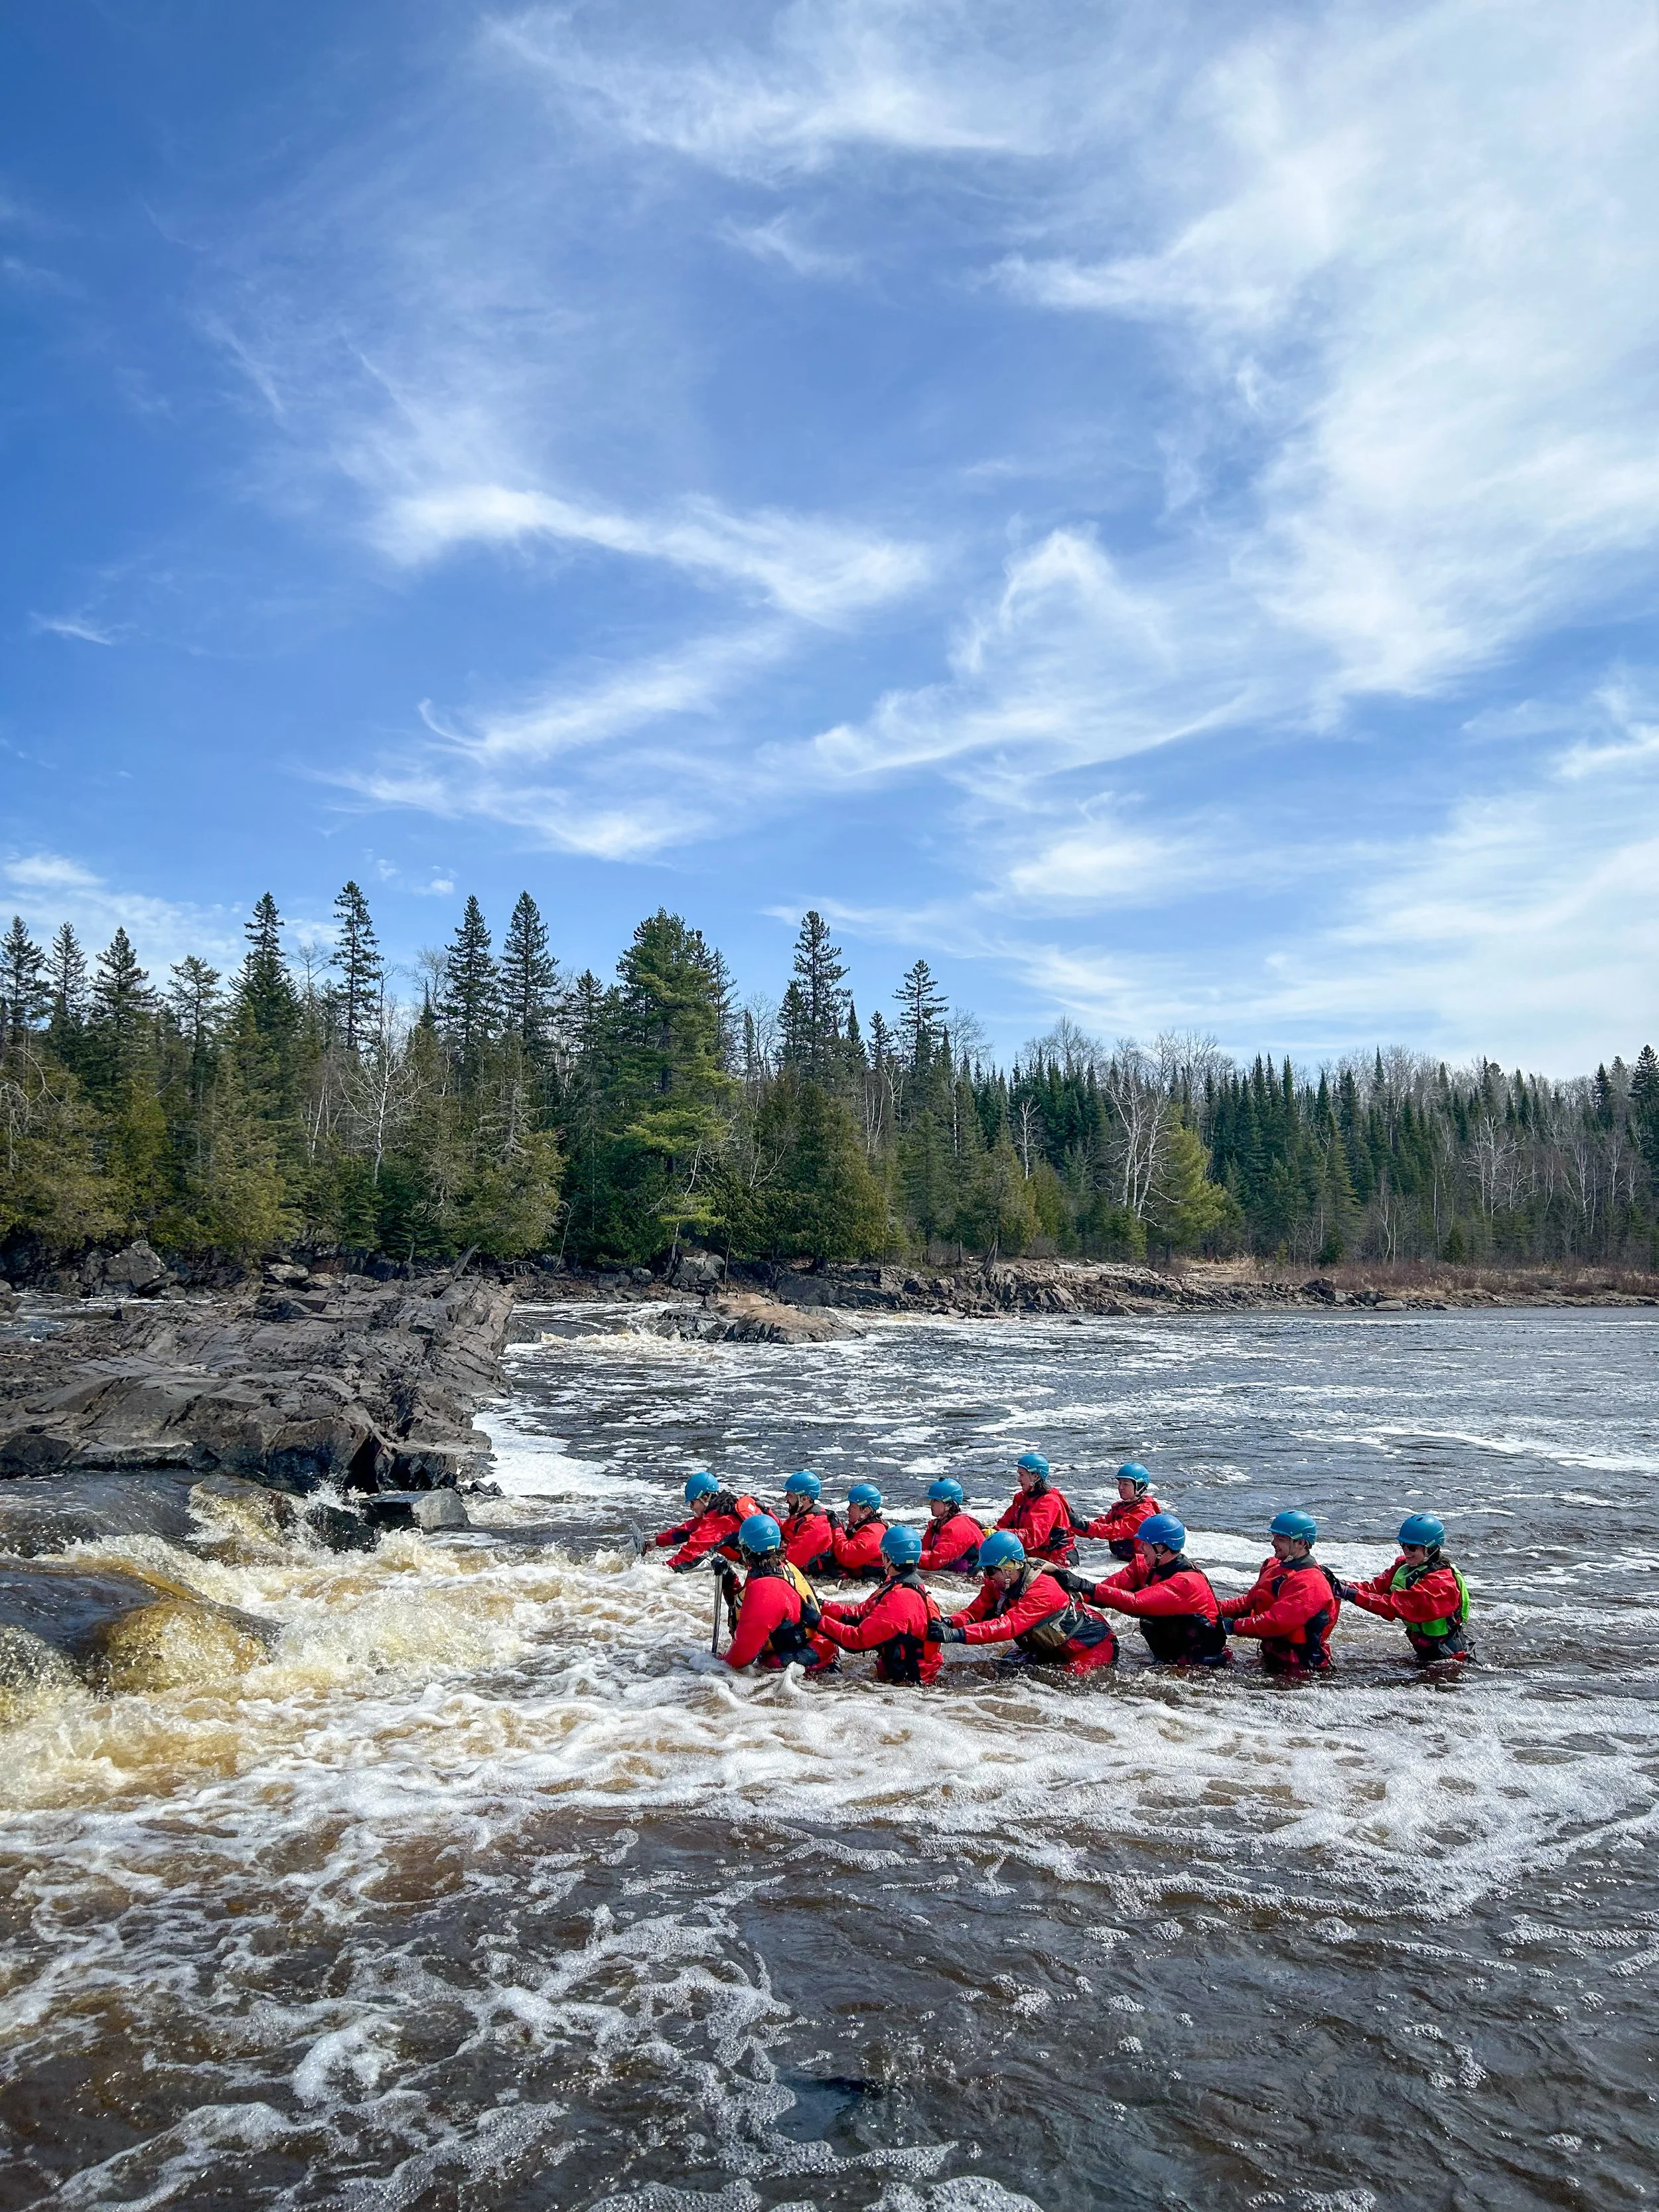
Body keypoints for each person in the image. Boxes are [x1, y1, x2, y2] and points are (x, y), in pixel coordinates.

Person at [926, 1530, 1117, 1674]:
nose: (987, 1577)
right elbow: (975, 1613)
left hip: (1091, 1646)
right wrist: (950, 1623)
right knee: (998, 1669)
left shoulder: (1043, 1590)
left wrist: (954, 1635)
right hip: (1050, 1648)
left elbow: (1008, 1626)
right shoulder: (999, 1583)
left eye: (990, 1571)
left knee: (1064, 1684)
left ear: (1008, 1569)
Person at [1062, 1512, 1228, 1665]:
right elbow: (1103, 1591)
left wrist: (1083, 1584)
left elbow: (1134, 1603)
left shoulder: (1186, 1583)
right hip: (1169, 1656)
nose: (1140, 1548)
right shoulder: (1144, 1567)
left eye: (1145, 1544)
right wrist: (1065, 1588)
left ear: (1162, 1548)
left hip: (1199, 1664)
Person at [812, 1525, 944, 1683]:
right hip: (908, 1680)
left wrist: (816, 1621)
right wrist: (821, 1605)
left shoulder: (900, 1599)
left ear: (889, 1558)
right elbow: (860, 1613)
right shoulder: (901, 1585)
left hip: (907, 1686)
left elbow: (856, 1641)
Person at [1216, 1511, 1343, 1672]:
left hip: (1301, 1669)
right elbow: (1249, 1602)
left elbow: (1275, 1622)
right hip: (1275, 1657)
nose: (1273, 1543)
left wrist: (1232, 1626)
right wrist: (1212, 1607)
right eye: (1274, 1537)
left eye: (1280, 1539)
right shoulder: (1276, 1568)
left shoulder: (1311, 1583)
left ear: (1301, 1543)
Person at [1340, 1514, 1475, 1664]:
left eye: (1412, 1547)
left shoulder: (1442, 1585)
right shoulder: (1405, 1567)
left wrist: (1350, 1594)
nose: (1406, 1551)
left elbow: (1394, 1606)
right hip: (1427, 1652)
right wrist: (1343, 1584)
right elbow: (1374, 1589)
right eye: (1403, 1544)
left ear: (1431, 1549)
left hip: (1449, 1659)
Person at [721, 1514, 824, 1670]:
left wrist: (716, 1664)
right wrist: (728, 1579)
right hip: (812, 1650)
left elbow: (741, 1657)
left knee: (762, 1666)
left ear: (748, 1549)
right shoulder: (779, 1567)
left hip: (804, 1661)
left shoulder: (765, 1589)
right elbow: (743, 1602)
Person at [655, 1470, 766, 1571]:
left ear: (704, 1499)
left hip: (761, 1568)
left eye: (693, 1503)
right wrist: (656, 1542)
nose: (691, 1507)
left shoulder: (719, 1522)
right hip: (769, 1559)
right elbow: (689, 1529)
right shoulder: (725, 1510)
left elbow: (692, 1555)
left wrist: (662, 1568)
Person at [994, 1452, 1079, 1566]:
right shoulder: (1021, 1498)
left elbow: (1034, 1538)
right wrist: (991, 1533)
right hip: (1035, 1556)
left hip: (1059, 1560)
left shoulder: (1049, 1502)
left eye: (1022, 1475)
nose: (1019, 1480)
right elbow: (1003, 1524)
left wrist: (999, 1534)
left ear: (1036, 1476)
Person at [1080, 1463, 1163, 1560]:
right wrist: (1071, 1523)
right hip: (1124, 1559)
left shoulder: (1145, 1512)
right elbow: (1100, 1525)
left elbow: (1115, 1530)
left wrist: (1084, 1526)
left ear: (1139, 1486)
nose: (1121, 1488)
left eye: (1126, 1484)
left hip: (1142, 1563)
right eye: (1120, 1483)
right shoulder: (1120, 1507)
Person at [919, 1478, 984, 1574]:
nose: (931, 1504)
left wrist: (908, 1556)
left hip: (970, 1578)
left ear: (948, 1504)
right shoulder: (937, 1524)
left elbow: (936, 1561)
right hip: (953, 1573)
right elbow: (925, 1550)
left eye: (936, 1501)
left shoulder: (959, 1527)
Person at [826, 1481, 889, 1579]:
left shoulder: (874, 1532)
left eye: (852, 1505)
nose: (848, 1509)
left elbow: (847, 1556)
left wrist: (837, 1529)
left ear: (866, 1510)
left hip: (872, 1579)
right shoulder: (860, 1525)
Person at [779, 1469, 836, 1576]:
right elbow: (783, 1531)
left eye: (790, 1495)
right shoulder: (800, 1515)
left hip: (819, 1579)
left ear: (805, 1498)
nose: (786, 1499)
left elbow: (793, 1560)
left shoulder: (816, 1525)